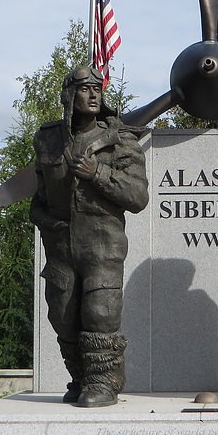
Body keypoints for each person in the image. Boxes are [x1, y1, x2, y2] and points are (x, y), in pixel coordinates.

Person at [30, 65, 149, 408]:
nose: (94, 94)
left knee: (100, 312)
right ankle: (81, 377)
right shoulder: (48, 139)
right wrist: (43, 220)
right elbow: (39, 195)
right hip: (61, 244)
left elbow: (138, 197)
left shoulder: (121, 139)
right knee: (63, 315)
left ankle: (103, 383)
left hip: (103, 242)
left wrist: (97, 172)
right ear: (69, 95)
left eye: (98, 88)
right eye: (85, 88)